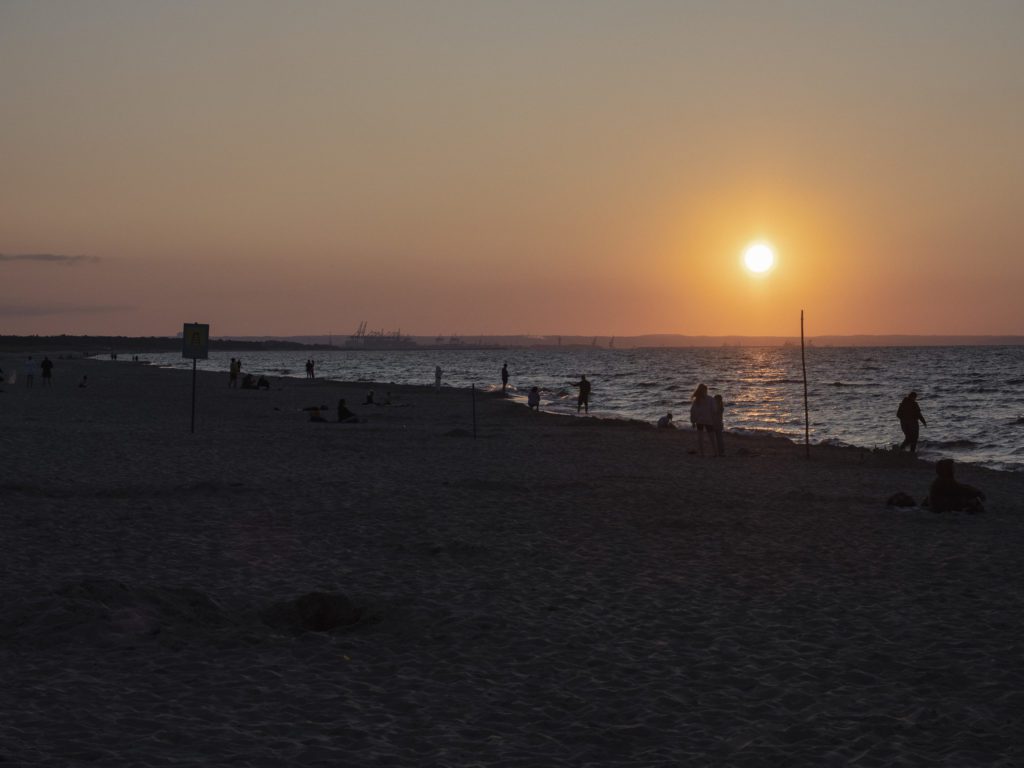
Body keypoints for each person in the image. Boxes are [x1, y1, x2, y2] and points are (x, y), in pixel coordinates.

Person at [689, 383, 718, 456]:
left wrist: (693, 421)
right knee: (712, 438)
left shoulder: (696, 401)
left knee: (700, 438)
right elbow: (714, 411)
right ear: (706, 390)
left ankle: (702, 453)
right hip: (709, 421)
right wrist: (715, 420)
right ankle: (715, 453)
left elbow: (693, 411)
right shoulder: (711, 399)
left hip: (700, 420)